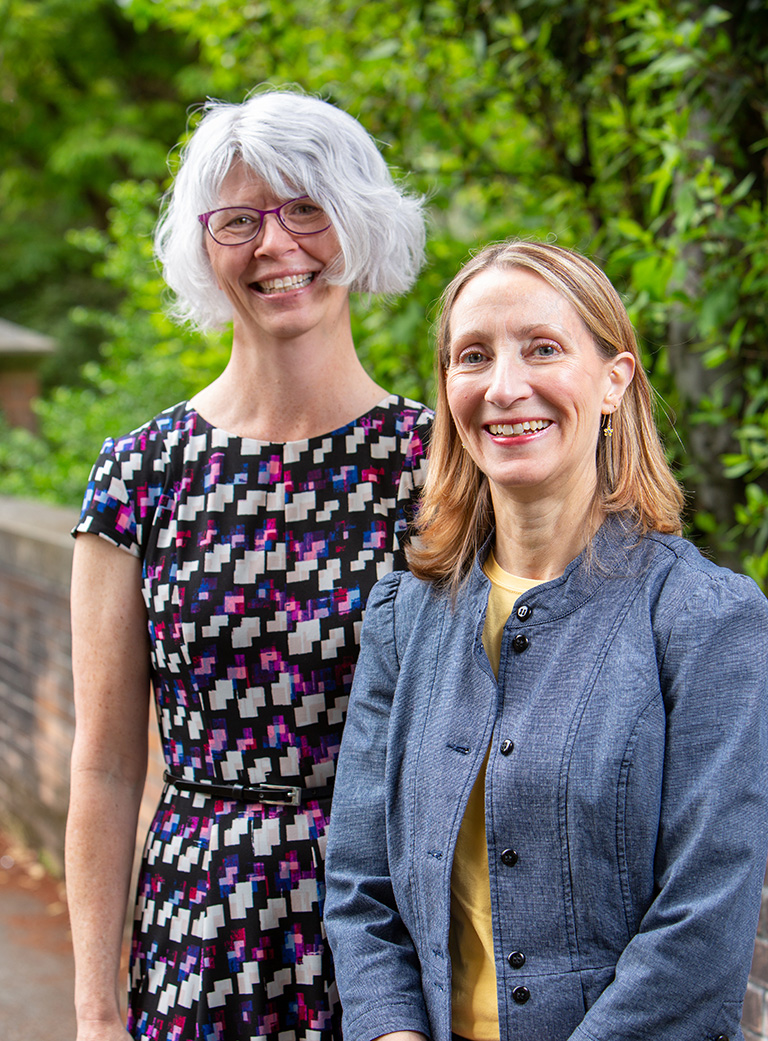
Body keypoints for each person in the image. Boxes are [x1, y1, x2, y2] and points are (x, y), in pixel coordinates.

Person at [324, 240, 768, 1041]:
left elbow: (705, 922)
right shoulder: (403, 616)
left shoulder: (706, 618)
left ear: (614, 380)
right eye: (473, 356)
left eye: (543, 348)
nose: (503, 387)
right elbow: (360, 883)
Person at [65, 88, 431, 1041]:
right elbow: (105, 766)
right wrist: (96, 1008)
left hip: (389, 929)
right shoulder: (140, 473)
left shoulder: (441, 469)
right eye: (240, 219)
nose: (278, 245)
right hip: (196, 929)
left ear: (357, 222)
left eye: (307, 208)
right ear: (202, 243)